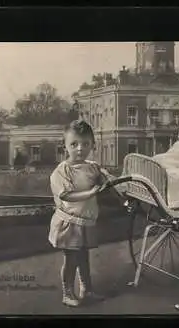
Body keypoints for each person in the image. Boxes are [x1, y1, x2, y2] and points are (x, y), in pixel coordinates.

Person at [48, 119, 109, 307]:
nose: (80, 149)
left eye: (85, 144)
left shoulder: (92, 167)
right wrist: (91, 192)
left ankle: (86, 290)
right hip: (70, 222)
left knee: (83, 257)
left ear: (93, 145)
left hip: (86, 221)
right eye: (74, 144)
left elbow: (104, 181)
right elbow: (66, 195)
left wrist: (105, 179)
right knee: (71, 258)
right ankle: (67, 292)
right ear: (65, 146)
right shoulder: (62, 171)